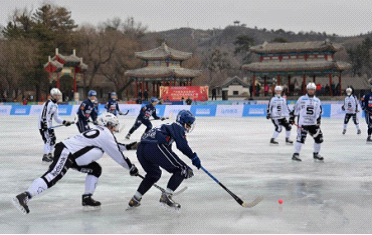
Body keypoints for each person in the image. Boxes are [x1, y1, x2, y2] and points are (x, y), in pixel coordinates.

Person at [12, 113, 140, 215]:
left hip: (73, 156)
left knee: (95, 169)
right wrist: (131, 167)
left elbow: (113, 146)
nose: (114, 129)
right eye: (113, 126)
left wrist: (128, 147)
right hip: (67, 152)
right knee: (53, 176)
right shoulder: (106, 135)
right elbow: (117, 154)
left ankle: (87, 197)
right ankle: (25, 196)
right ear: (107, 125)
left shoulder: (101, 132)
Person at [128, 110, 201, 210]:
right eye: (189, 124)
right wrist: (193, 157)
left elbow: (168, 153)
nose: (189, 127)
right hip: (154, 146)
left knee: (154, 174)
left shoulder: (167, 127)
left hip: (141, 149)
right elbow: (182, 145)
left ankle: (135, 198)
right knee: (183, 169)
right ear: (183, 121)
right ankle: (166, 197)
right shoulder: (177, 126)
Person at [289, 83, 324, 162]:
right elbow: (296, 108)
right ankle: (295, 154)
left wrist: (318, 120)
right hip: (303, 123)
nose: (310, 91)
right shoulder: (302, 99)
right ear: (307, 90)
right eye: (309, 89)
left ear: (314, 90)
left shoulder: (317, 100)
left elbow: (319, 111)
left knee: (319, 138)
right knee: (300, 139)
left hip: (313, 123)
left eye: (312, 90)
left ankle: (316, 154)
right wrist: (292, 117)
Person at [38, 88, 73, 163]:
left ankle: (50, 154)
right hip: (43, 125)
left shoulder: (55, 105)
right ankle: (45, 155)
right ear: (52, 96)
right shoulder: (48, 103)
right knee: (48, 139)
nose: (57, 97)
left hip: (49, 125)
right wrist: (44, 124)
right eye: (56, 95)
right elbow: (43, 115)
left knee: (53, 139)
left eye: (58, 95)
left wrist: (64, 122)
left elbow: (56, 117)